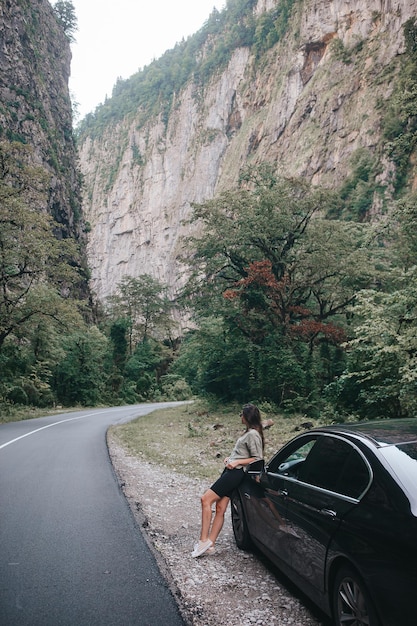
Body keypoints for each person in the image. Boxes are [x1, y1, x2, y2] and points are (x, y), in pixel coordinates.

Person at [191, 403, 264, 558]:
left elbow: (258, 459)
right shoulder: (250, 433)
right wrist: (231, 459)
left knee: (205, 500)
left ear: (247, 417)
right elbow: (244, 455)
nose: (240, 417)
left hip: (235, 474)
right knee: (220, 508)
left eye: (241, 414)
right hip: (232, 471)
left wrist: (237, 462)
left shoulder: (253, 434)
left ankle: (203, 540)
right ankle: (210, 544)